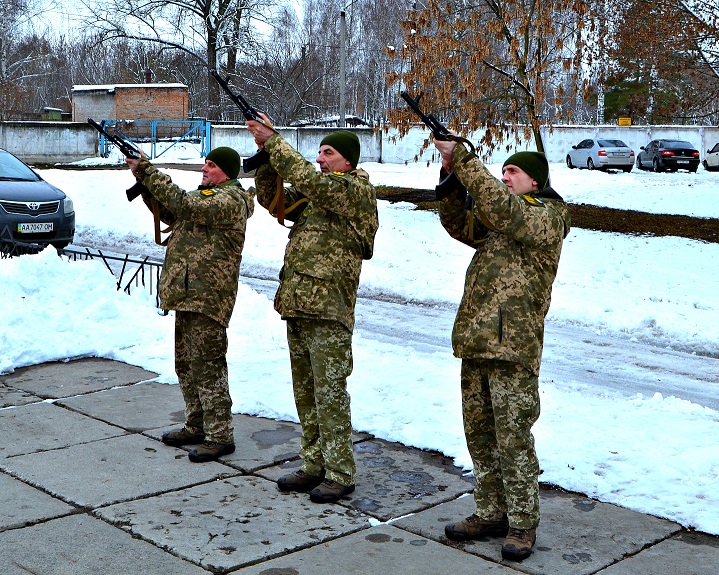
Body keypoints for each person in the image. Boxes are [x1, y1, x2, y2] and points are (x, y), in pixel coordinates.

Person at [432, 139, 570, 561]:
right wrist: (451, 172)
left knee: (513, 438)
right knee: (481, 436)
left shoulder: (547, 216)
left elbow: (505, 211)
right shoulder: (500, 219)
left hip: (513, 346)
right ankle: (490, 511)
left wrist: (469, 160)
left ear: (535, 181)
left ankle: (523, 524)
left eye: (513, 172)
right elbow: (458, 222)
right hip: (477, 340)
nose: (505, 177)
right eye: (503, 170)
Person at [246, 115, 379, 504]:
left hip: (329, 310)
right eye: (318, 152)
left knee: (330, 393)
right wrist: (266, 158)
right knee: (305, 393)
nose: (320, 159)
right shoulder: (317, 199)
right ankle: (314, 464)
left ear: (348, 161)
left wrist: (277, 141)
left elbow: (311, 181)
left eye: (329, 152)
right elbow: (274, 200)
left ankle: (340, 471)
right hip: (300, 305)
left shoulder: (355, 192)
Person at [126, 147, 255, 463]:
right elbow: (174, 212)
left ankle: (220, 436)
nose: (205, 168)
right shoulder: (207, 198)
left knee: (208, 366)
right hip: (188, 294)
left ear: (227, 172)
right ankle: (196, 425)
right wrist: (146, 188)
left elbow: (183, 203)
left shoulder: (229, 200)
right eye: (205, 163)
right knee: (186, 365)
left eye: (212, 165)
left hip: (208, 296)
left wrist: (149, 171)